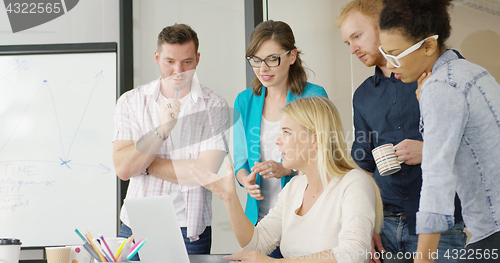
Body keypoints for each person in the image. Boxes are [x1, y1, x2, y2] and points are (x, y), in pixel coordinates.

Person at [335, 1, 465, 262]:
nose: (352, 49)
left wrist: (429, 150)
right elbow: (363, 166)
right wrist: (365, 224)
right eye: (347, 42)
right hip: (386, 230)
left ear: (382, 25)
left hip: (441, 227)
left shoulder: (443, 70)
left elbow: (478, 141)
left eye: (357, 36)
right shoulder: (362, 96)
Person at [378, 0, 500, 261]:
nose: (390, 64)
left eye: (395, 54)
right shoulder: (473, 72)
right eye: (385, 54)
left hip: (493, 231)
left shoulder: (441, 86)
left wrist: (422, 258)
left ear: (428, 45)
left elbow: (436, 178)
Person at [195, 97, 383, 262]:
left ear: (315, 139)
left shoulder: (354, 183)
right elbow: (257, 244)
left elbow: (353, 253)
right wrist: (230, 198)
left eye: (287, 132)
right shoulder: (295, 187)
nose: (277, 140)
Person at [112, 23, 229, 256]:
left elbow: (204, 172)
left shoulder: (215, 105)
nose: (178, 70)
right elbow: (124, 169)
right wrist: (161, 131)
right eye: (169, 62)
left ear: (197, 59)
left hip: (191, 230)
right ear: (157, 57)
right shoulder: (131, 102)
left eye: (187, 62)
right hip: (136, 225)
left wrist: (144, 164)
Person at [233, 20, 328, 257]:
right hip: (261, 222)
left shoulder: (314, 96)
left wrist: (285, 169)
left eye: (272, 59)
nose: (263, 68)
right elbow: (239, 160)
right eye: (256, 59)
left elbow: (325, 156)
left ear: (292, 56)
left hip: (305, 218)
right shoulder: (244, 101)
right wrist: (246, 180)